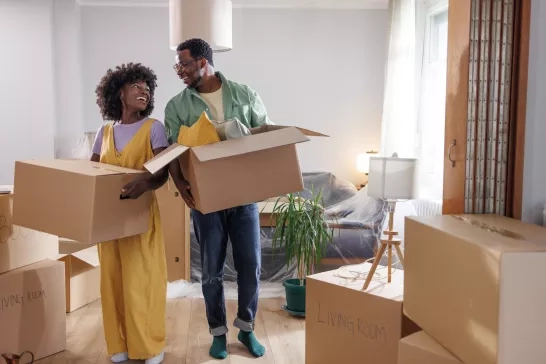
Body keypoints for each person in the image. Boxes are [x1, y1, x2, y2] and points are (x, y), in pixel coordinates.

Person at [164, 38, 273, 360]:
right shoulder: (177, 106)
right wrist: (181, 183)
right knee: (210, 270)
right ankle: (218, 334)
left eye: (183, 64)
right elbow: (173, 151)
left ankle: (247, 328)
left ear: (202, 62)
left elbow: (264, 136)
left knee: (250, 266)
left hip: (243, 196)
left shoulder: (244, 94)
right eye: (177, 65)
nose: (179, 71)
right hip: (206, 198)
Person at [91, 63, 169, 364]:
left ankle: (151, 345)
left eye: (147, 87)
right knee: (112, 282)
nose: (144, 91)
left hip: (140, 218)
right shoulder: (105, 131)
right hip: (109, 222)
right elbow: (93, 170)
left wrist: (145, 184)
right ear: (119, 92)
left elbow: (163, 175)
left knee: (142, 282)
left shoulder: (154, 128)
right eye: (136, 85)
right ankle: (119, 344)